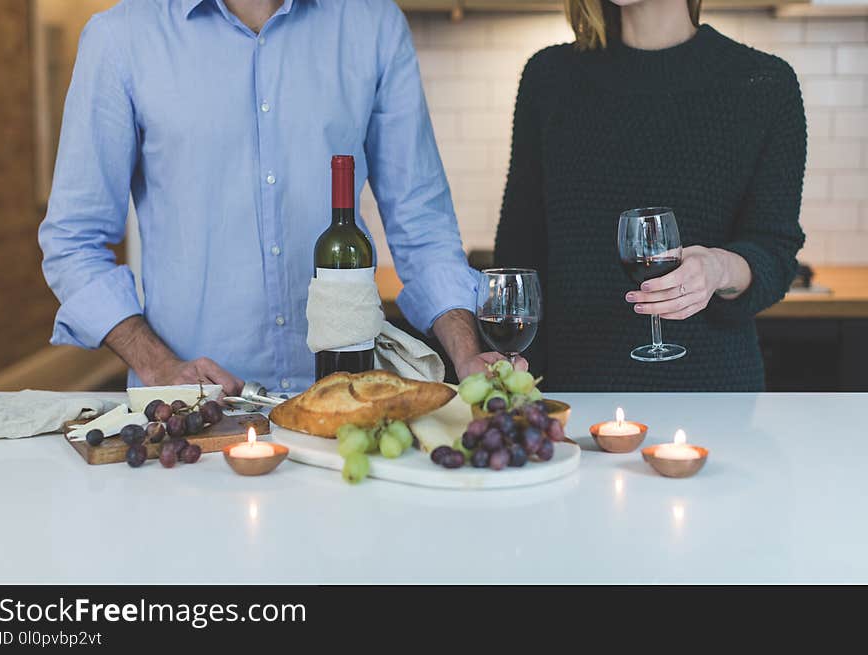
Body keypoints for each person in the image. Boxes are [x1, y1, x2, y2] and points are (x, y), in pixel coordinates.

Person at [39, 0, 521, 397]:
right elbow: (73, 242)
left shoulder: (373, 26)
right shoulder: (121, 39)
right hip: (194, 415)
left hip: (343, 405)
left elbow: (423, 226)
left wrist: (465, 351)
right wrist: (159, 366)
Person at [495, 0, 806, 391]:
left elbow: (775, 252)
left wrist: (717, 268)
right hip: (571, 396)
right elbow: (519, 251)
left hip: (713, 397)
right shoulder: (548, 78)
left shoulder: (764, 84)